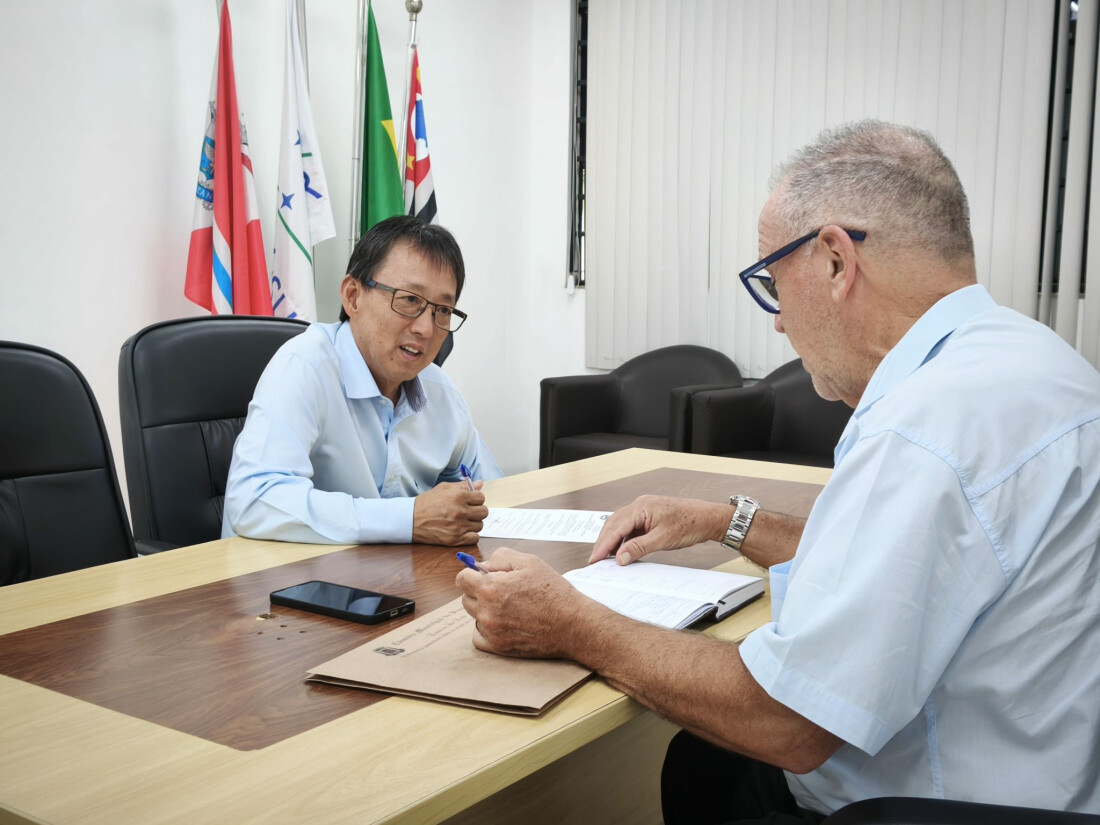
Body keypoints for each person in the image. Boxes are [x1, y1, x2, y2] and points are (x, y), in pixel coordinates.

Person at [457, 120, 1100, 821]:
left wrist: (570, 623)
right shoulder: (1040, 366)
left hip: (921, 800)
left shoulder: (925, 428)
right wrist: (722, 520)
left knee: (715, 760)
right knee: (701, 764)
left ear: (833, 261)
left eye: (771, 280)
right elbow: (906, 565)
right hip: (1047, 779)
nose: (777, 323)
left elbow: (789, 720)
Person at [223, 215, 501, 546]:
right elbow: (254, 501)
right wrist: (409, 518)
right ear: (353, 296)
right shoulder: (304, 367)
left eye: (442, 310)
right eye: (410, 300)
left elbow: (488, 491)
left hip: (392, 581)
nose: (426, 329)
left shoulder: (440, 390)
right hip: (287, 584)